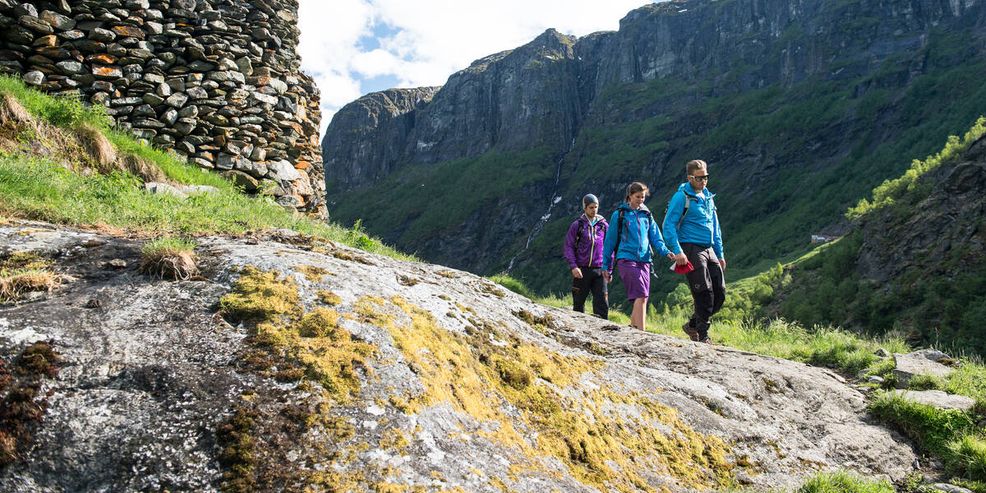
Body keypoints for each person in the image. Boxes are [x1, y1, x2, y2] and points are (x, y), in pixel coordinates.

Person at [662, 159, 726, 344]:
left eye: (706, 177)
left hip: (709, 247)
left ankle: (692, 324)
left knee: (719, 292)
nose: (703, 181)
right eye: (699, 178)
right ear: (690, 177)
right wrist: (677, 251)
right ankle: (702, 335)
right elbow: (668, 225)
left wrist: (720, 254)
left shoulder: (708, 196)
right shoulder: (681, 197)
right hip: (690, 246)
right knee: (704, 291)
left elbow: (716, 227)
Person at [602, 182, 676, 330]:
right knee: (641, 295)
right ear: (629, 196)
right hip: (626, 259)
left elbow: (655, 236)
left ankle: (634, 328)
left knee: (643, 297)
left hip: (645, 260)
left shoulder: (647, 215)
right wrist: (606, 265)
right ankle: (641, 333)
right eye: (637, 197)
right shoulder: (620, 215)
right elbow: (609, 241)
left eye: (643, 197)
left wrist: (665, 251)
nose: (641, 200)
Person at [562, 194, 609, 319]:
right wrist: (573, 266)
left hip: (600, 269)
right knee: (578, 303)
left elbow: (610, 248)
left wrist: (608, 268)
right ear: (585, 208)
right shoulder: (578, 225)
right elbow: (568, 246)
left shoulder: (603, 226)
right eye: (591, 207)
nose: (594, 210)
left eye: (596, 207)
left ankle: (603, 332)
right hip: (581, 269)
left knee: (602, 303)